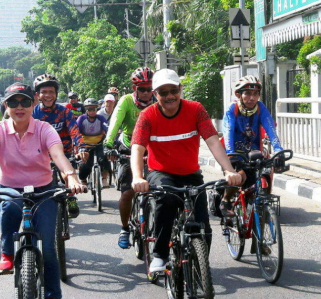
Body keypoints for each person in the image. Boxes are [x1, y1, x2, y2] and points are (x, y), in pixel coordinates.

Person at [0, 83, 86, 299]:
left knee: (50, 249)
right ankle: (7, 253)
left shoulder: (44, 129)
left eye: (24, 102)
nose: (19, 107)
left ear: (33, 104)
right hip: (10, 187)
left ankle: (53, 298)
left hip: (43, 189)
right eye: (13, 102)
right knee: (9, 205)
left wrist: (71, 176)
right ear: (6, 106)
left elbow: (57, 155)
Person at [130, 69, 242, 272]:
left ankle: (200, 269)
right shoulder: (148, 115)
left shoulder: (196, 109)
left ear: (180, 89)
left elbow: (213, 141)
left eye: (173, 90)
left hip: (191, 174)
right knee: (167, 199)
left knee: (203, 226)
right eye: (163, 93)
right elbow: (137, 148)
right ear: (156, 94)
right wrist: (138, 176)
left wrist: (229, 170)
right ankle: (160, 255)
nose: (169, 96)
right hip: (161, 172)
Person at [103, 67, 156, 248]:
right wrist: (108, 143)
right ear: (135, 89)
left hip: (153, 149)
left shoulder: (159, 101)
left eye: (150, 88)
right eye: (142, 89)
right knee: (127, 193)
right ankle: (125, 228)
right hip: (129, 148)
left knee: (162, 192)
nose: (147, 93)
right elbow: (115, 122)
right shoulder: (126, 101)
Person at [220, 75, 283, 215]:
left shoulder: (260, 108)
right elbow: (228, 131)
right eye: (247, 93)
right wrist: (230, 154)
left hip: (254, 152)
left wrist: (279, 150)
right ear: (238, 95)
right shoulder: (232, 109)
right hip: (233, 153)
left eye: (255, 94)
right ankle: (225, 201)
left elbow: (271, 129)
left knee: (265, 170)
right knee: (238, 177)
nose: (252, 98)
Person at [32, 74, 85, 217]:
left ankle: (71, 197)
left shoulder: (64, 111)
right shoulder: (32, 112)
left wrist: (81, 147)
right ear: (37, 94)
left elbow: (74, 130)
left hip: (63, 153)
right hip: (39, 155)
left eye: (51, 92)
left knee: (67, 174)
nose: (48, 95)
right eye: (44, 92)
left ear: (56, 94)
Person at [76, 98, 110, 187]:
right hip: (85, 144)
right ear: (86, 110)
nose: (92, 111)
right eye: (89, 109)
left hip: (99, 143)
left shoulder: (101, 118)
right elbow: (76, 132)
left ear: (96, 109)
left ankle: (104, 179)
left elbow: (106, 127)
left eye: (94, 109)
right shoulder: (81, 118)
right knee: (85, 164)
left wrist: (108, 131)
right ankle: (83, 180)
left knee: (104, 159)